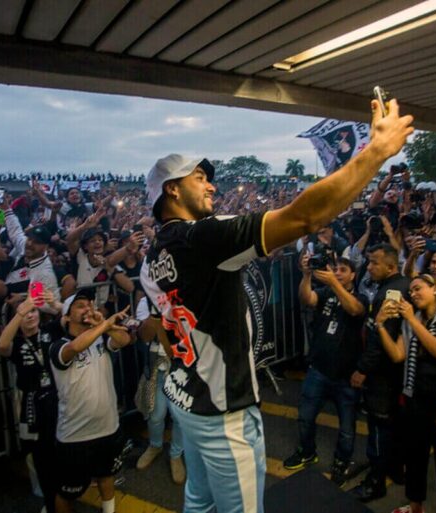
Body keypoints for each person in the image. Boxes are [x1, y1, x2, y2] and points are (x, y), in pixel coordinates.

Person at [140, 99, 413, 513]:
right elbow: (304, 218)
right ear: (171, 189)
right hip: (222, 411)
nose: (212, 185)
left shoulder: (150, 256)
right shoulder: (202, 239)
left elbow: (163, 325)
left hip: (186, 398)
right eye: (200, 177)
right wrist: (375, 151)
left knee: (199, 501)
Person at [375, 274, 436, 513]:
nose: (413, 294)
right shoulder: (411, 321)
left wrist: (413, 321)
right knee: (415, 460)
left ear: (435, 289)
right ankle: (415, 508)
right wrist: (380, 325)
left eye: (418, 289)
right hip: (416, 401)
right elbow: (397, 354)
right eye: (410, 292)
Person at [283, 256, 366, 487]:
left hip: (346, 375)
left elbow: (354, 309)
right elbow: (306, 297)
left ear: (353, 275)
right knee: (305, 417)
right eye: (335, 269)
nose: (337, 273)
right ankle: (307, 451)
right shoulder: (327, 293)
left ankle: (342, 462)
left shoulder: (361, 297)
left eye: (343, 270)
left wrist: (334, 283)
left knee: (347, 427)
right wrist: (307, 274)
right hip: (318, 369)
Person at [48, 289, 133, 513]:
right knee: (67, 492)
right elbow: (75, 348)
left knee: (107, 475)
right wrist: (103, 326)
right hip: (75, 436)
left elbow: (124, 340)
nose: (87, 308)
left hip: (107, 428)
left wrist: (105, 324)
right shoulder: (57, 346)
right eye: (80, 305)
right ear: (66, 317)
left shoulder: (101, 337)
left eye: (89, 304)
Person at [350, 243, 410, 502]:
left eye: (374, 262)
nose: (370, 267)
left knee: (378, 427)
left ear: (391, 265)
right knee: (393, 427)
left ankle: (375, 482)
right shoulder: (401, 285)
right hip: (395, 375)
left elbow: (381, 335)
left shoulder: (392, 292)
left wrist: (363, 369)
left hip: (383, 376)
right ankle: (396, 470)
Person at [0, 292, 62, 513]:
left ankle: (65, 494)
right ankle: (50, 501)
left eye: (33, 311)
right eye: (25, 314)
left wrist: (53, 304)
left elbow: (68, 317)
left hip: (58, 399)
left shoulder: (50, 331)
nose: (30, 316)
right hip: (32, 404)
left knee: (62, 448)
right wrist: (20, 313)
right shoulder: (15, 342)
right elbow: (2, 346)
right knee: (41, 456)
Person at [134, 296, 185, 484]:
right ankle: (155, 446)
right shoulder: (145, 302)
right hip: (157, 366)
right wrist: (157, 311)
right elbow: (145, 335)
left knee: (179, 416)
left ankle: (176, 454)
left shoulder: (182, 295)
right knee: (155, 414)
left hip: (181, 365)